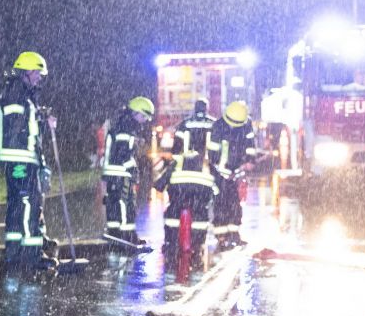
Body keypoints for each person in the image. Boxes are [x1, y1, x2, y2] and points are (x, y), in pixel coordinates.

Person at [0, 51, 57, 271]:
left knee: (16, 207)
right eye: (39, 73)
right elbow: (20, 128)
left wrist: (39, 116)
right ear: (30, 71)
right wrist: (41, 120)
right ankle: (32, 256)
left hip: (18, 160)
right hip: (21, 160)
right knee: (29, 205)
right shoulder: (18, 94)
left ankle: (13, 253)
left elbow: (23, 124)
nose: (40, 78)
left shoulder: (18, 92)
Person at [162, 99, 216, 257]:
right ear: (206, 109)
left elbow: (176, 151)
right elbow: (215, 152)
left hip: (181, 176)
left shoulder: (183, 124)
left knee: (174, 210)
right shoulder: (214, 125)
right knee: (200, 212)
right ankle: (197, 244)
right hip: (203, 176)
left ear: (194, 108)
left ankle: (171, 242)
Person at [102, 96, 154, 248]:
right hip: (121, 173)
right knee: (126, 204)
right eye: (144, 116)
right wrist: (134, 169)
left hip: (112, 173)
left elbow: (114, 152)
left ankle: (114, 234)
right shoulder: (127, 127)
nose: (145, 121)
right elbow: (123, 153)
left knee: (113, 204)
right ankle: (127, 236)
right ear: (137, 113)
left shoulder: (119, 124)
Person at [208, 100, 258, 250]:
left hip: (236, 170)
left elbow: (250, 146)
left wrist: (250, 161)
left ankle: (234, 235)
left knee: (235, 204)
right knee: (221, 204)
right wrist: (223, 172)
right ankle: (221, 237)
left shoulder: (246, 125)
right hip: (220, 173)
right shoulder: (218, 127)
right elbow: (213, 155)